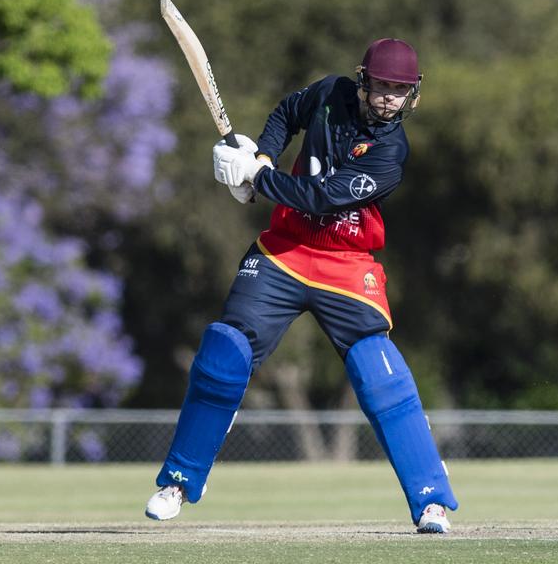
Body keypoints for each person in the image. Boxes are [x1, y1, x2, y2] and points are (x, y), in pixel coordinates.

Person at [144, 38, 458, 534]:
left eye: (398, 91)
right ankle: (179, 482)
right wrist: (262, 156)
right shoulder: (330, 94)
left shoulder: (391, 153)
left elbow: (324, 197)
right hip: (284, 250)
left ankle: (430, 500)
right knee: (225, 350)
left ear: (412, 94)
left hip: (346, 263)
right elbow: (288, 112)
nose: (387, 98)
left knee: (379, 370)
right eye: (380, 86)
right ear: (363, 80)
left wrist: (258, 178)